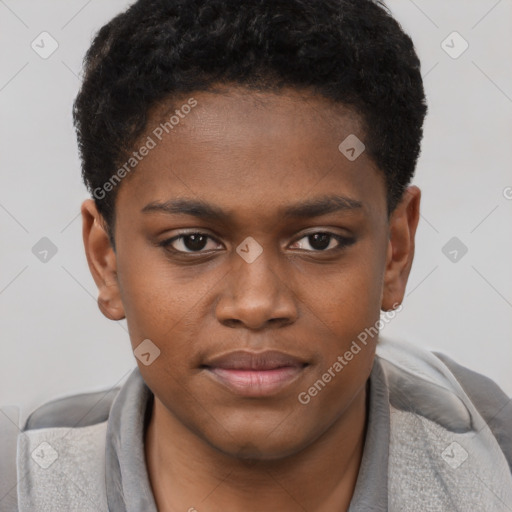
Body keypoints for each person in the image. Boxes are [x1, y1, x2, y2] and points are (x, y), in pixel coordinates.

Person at [1, 0, 511, 510]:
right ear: (106, 260)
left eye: (319, 240)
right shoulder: (23, 484)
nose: (256, 303)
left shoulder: (494, 467)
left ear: (395, 252)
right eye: (192, 242)